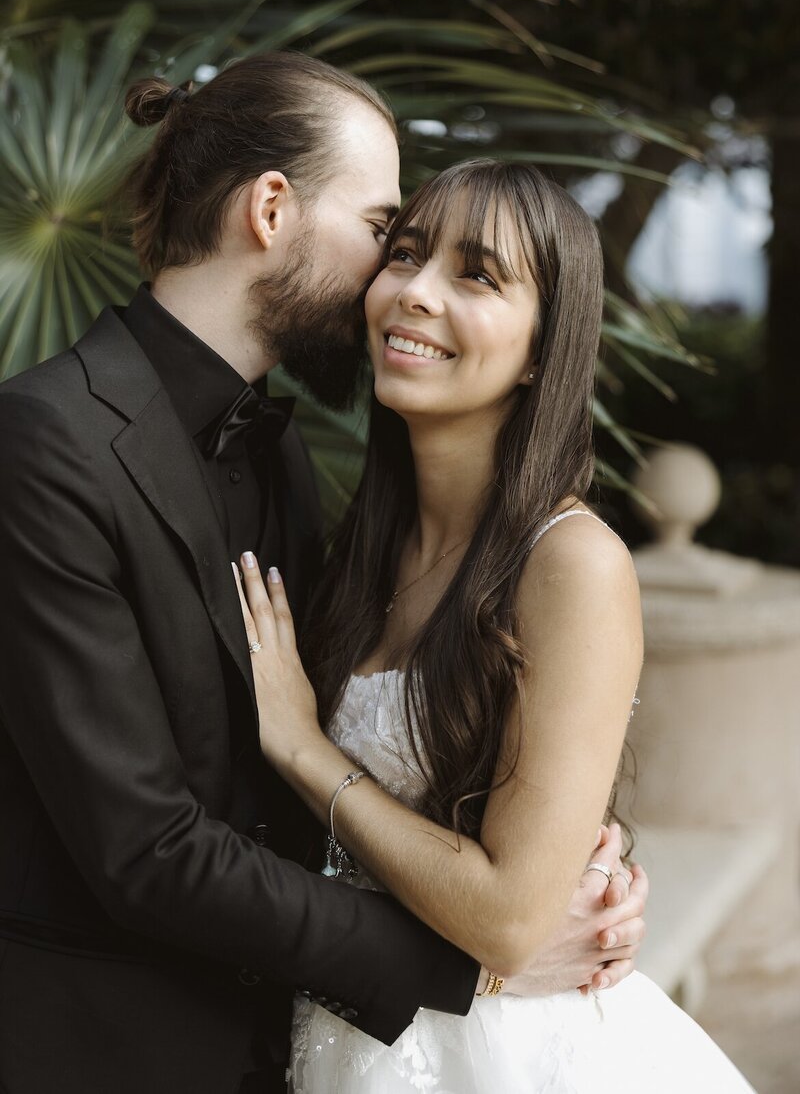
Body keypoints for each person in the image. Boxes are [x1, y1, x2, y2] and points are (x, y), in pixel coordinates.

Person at [0, 56, 647, 1094]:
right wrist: (473, 961)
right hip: (106, 1047)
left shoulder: (280, 456)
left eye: (458, 269)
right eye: (387, 236)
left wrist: (564, 859)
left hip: (300, 1040)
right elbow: (146, 847)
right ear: (269, 209)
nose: (394, 285)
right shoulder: (44, 442)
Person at [234, 158, 757, 1091]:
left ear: (540, 349)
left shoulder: (572, 564)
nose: (415, 294)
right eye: (405, 254)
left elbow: (511, 919)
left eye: (476, 275)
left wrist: (306, 751)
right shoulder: (356, 541)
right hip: (352, 1030)